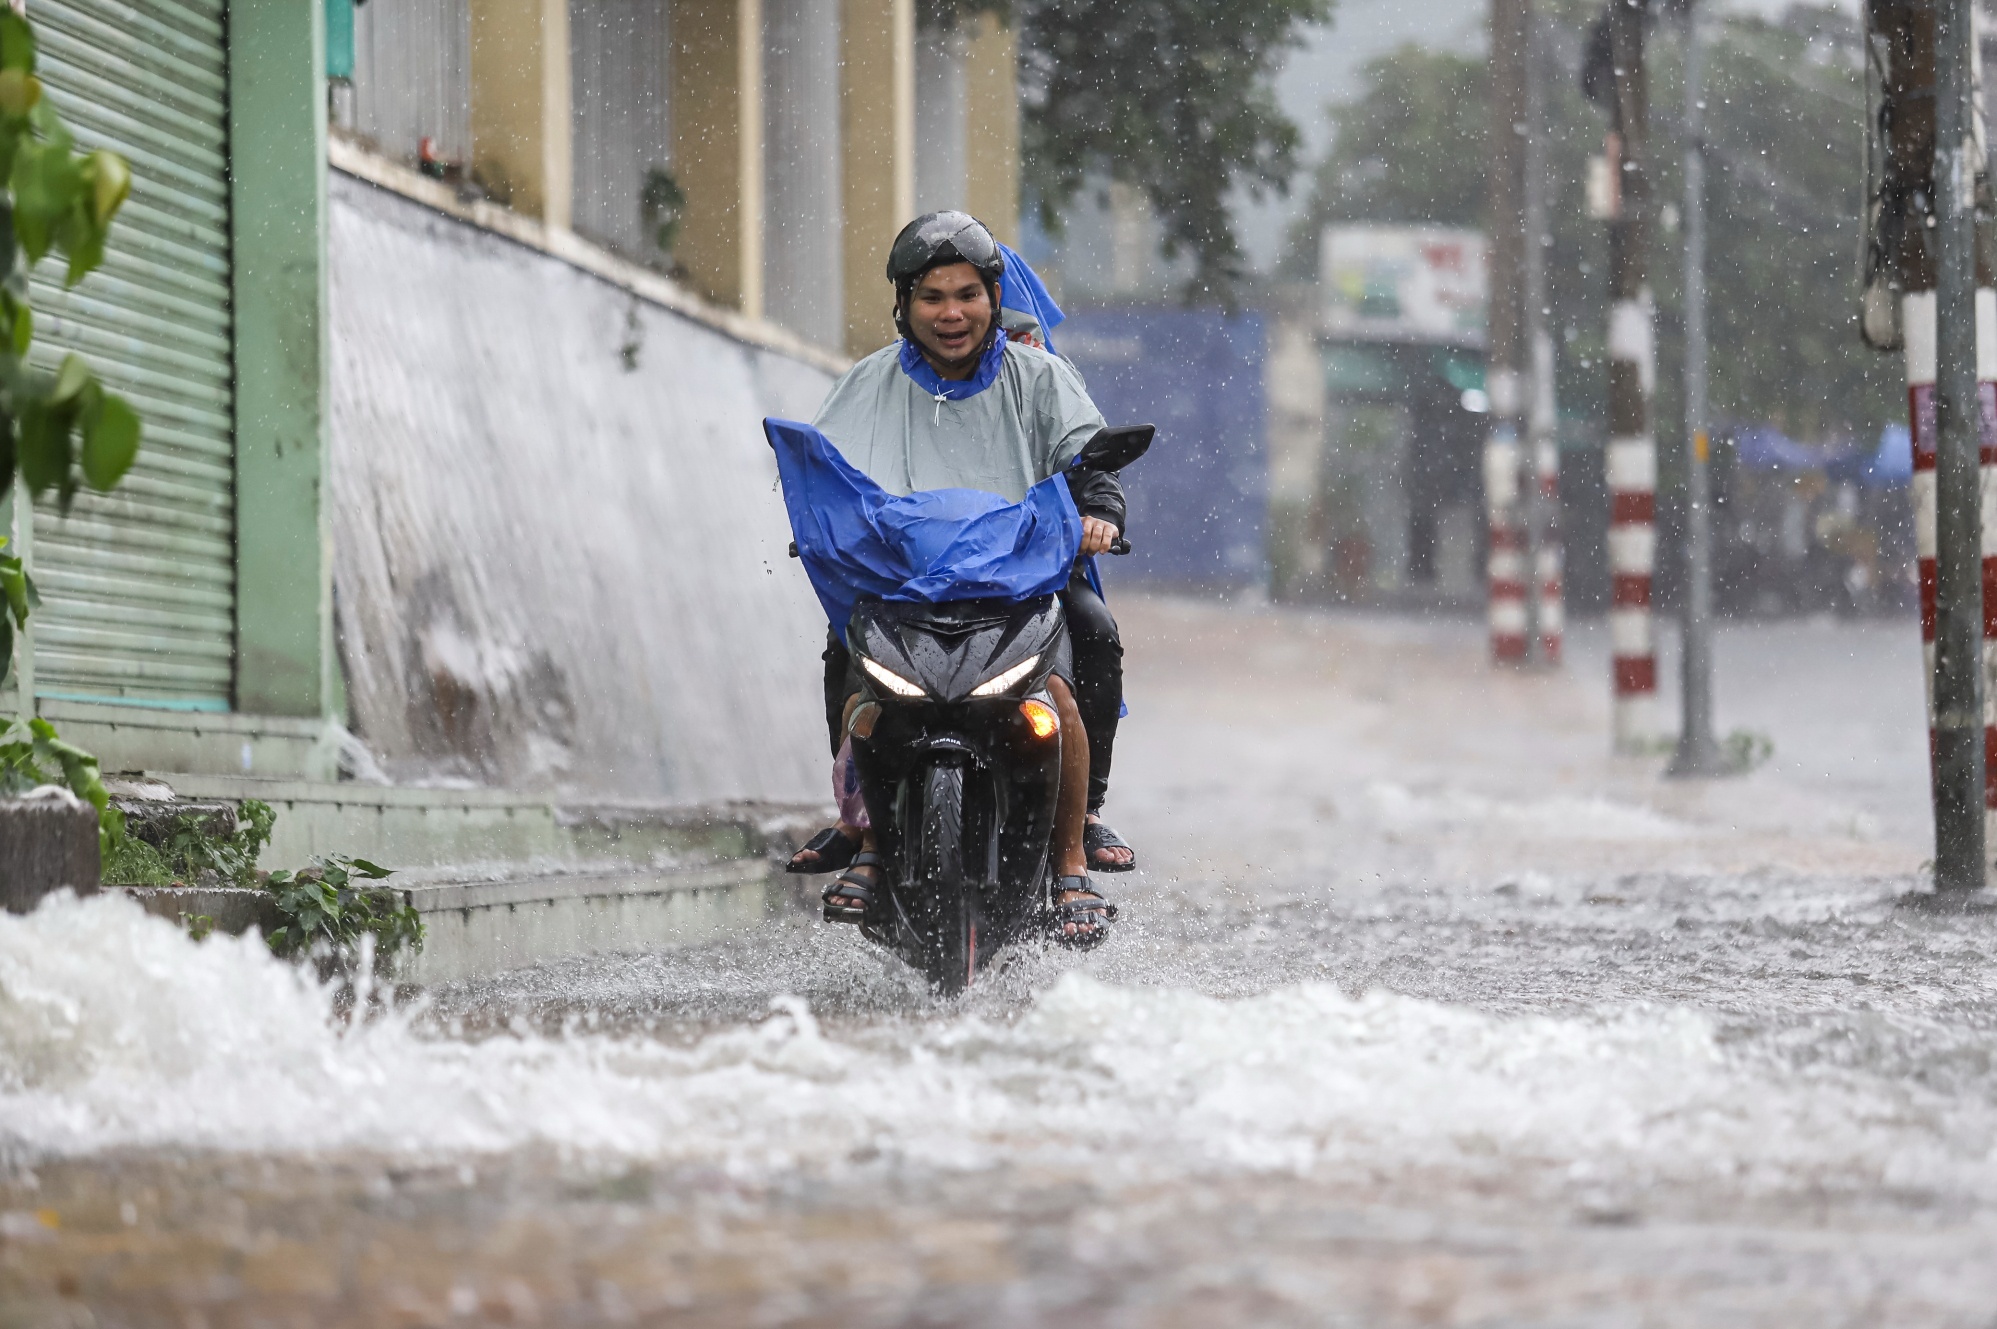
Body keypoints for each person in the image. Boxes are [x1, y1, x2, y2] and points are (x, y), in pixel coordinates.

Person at [783, 210, 1135, 944]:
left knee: (1088, 644)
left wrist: (1098, 511)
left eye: (967, 294)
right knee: (848, 659)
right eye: (932, 296)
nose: (951, 313)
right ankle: (867, 837)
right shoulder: (867, 383)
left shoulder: (1038, 375)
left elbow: (1088, 462)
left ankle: (1074, 851)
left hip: (1023, 577)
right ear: (904, 306)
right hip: (905, 586)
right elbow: (830, 473)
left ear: (993, 297)